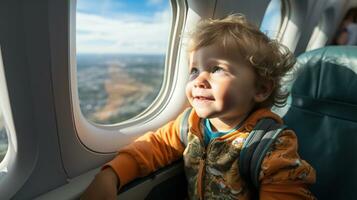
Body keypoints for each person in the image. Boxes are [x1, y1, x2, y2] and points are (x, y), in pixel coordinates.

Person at [81, 14, 316, 200]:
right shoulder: (190, 123)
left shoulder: (272, 146)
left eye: (216, 69)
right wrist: (112, 175)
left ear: (261, 89)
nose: (198, 79)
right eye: (194, 69)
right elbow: (155, 146)